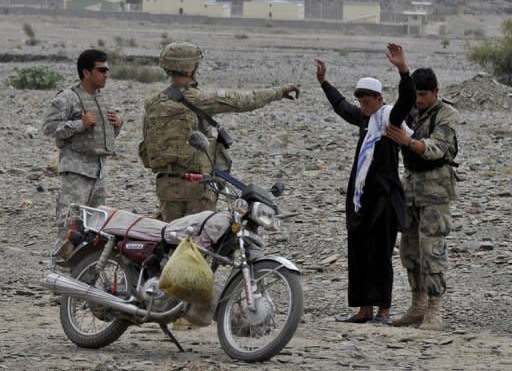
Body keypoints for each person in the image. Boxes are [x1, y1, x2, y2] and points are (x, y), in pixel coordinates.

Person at [139, 41, 299, 222]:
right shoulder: (199, 99)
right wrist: (279, 91)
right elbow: (245, 100)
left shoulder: (152, 103)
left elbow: (146, 148)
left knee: (169, 238)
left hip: (166, 186)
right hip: (198, 186)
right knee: (199, 242)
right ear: (192, 68)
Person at [316, 43, 415, 324]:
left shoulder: (389, 118)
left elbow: (407, 100)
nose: (363, 104)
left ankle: (383, 309)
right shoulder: (364, 119)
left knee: (380, 254)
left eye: (368, 100)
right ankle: (363, 308)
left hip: (383, 198)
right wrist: (324, 82)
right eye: (360, 100)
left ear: (378, 98)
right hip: (360, 199)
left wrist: (403, 70)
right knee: (358, 252)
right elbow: (340, 106)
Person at [385, 68, 458, 330]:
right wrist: (402, 69)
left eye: (424, 95)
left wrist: (409, 140)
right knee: (410, 249)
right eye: (416, 95)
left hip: (435, 190)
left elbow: (437, 148)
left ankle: (434, 309)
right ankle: (418, 304)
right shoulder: (410, 111)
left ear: (436, 92)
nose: (419, 100)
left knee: (432, 251)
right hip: (411, 187)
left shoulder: (446, 114)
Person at [42, 49, 123, 263]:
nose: (107, 74)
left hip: (99, 174)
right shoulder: (68, 97)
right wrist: (80, 124)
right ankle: (60, 285)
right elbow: (49, 127)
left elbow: (103, 134)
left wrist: (117, 125)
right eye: (102, 69)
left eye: (108, 69)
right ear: (86, 72)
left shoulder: (102, 98)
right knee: (70, 227)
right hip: (77, 173)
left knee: (95, 230)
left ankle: (83, 278)